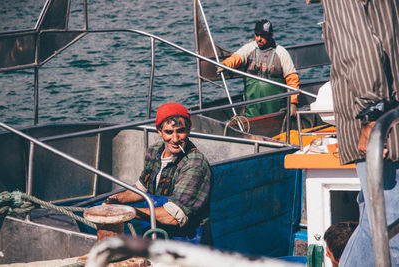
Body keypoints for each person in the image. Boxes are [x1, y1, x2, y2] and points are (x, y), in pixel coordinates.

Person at [320, 0, 399, 266]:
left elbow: (357, 47)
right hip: (390, 122)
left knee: (386, 231)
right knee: (377, 224)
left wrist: (372, 116)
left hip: (384, 127)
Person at [105, 102, 213, 242]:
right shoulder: (155, 151)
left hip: (187, 240)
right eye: (169, 132)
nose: (175, 139)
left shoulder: (195, 165)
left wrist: (127, 211)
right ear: (159, 131)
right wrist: (116, 200)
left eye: (180, 131)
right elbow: (142, 187)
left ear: (189, 129)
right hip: (154, 232)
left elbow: (173, 216)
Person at [219, 19, 300, 118]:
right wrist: (225, 65)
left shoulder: (281, 52)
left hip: (275, 109)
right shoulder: (249, 48)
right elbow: (237, 58)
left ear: (271, 35)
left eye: (262, 36)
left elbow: (292, 78)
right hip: (252, 107)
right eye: (257, 35)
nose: (259, 39)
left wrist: (293, 102)